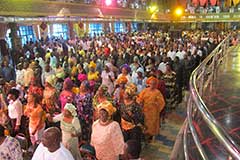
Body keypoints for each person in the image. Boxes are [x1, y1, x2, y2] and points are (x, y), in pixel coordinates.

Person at [137, 76, 165, 142]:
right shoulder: (144, 91)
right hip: (145, 110)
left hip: (153, 112)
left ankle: (150, 137)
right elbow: (139, 98)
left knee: (152, 124)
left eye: (153, 84)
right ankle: (145, 136)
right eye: (150, 83)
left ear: (155, 84)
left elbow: (162, 102)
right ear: (148, 84)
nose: (152, 85)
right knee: (145, 123)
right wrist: (140, 102)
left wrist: (156, 106)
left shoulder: (157, 92)